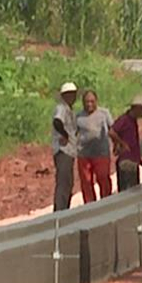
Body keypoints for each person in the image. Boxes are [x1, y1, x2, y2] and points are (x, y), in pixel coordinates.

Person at [75, 89, 116, 203]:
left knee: (103, 178)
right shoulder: (78, 116)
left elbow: (112, 130)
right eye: (87, 102)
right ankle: (90, 206)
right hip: (84, 154)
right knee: (86, 182)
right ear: (83, 102)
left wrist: (117, 144)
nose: (89, 104)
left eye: (92, 101)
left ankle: (106, 203)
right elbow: (72, 134)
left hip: (101, 153)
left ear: (96, 101)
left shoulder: (104, 113)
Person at [51, 82, 79, 211]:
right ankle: (60, 212)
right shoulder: (61, 108)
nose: (71, 97)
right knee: (63, 182)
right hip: (64, 150)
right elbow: (57, 121)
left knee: (68, 182)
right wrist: (65, 135)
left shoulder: (69, 109)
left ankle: (64, 209)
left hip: (70, 150)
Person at [112, 94, 142, 191]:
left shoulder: (132, 121)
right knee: (129, 191)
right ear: (137, 108)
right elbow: (112, 132)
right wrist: (122, 143)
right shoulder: (125, 120)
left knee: (133, 190)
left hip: (133, 160)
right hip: (127, 161)